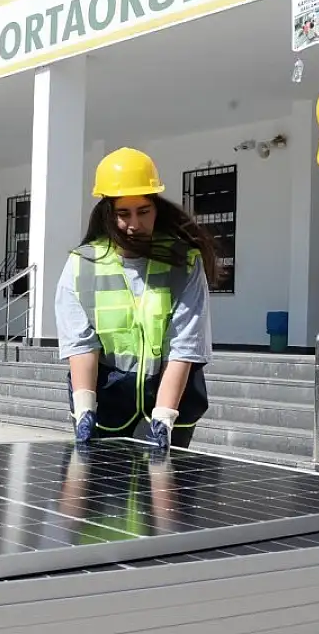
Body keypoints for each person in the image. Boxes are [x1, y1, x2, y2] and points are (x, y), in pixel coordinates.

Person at [55, 147, 218, 449]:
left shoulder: (185, 263)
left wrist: (164, 417)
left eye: (144, 211)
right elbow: (81, 344)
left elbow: (184, 342)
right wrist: (85, 409)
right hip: (108, 403)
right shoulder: (82, 264)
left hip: (172, 397)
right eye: (123, 214)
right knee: (102, 478)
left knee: (162, 476)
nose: (134, 224)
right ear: (107, 213)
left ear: (156, 208)